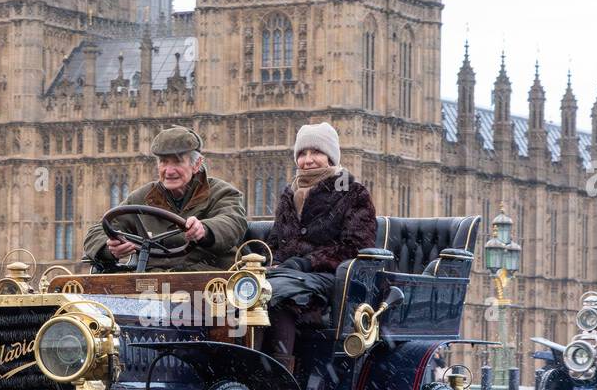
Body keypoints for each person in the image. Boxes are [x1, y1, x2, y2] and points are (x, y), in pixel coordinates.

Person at [263, 122, 378, 368]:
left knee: (279, 295)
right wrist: (267, 262)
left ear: (331, 157)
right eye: (302, 154)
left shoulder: (352, 193)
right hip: (290, 274)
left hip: (332, 278)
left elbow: (355, 247)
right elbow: (275, 241)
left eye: (316, 152)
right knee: (246, 292)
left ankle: (280, 381)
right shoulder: (289, 195)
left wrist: (307, 262)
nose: (308, 160)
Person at [82, 126, 247, 273]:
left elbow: (233, 223)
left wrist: (204, 230)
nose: (169, 171)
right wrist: (109, 248)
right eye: (163, 162)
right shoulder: (141, 198)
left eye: (177, 162)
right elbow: (97, 232)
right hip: (152, 286)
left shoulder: (222, 193)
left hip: (209, 282)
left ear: (196, 164)